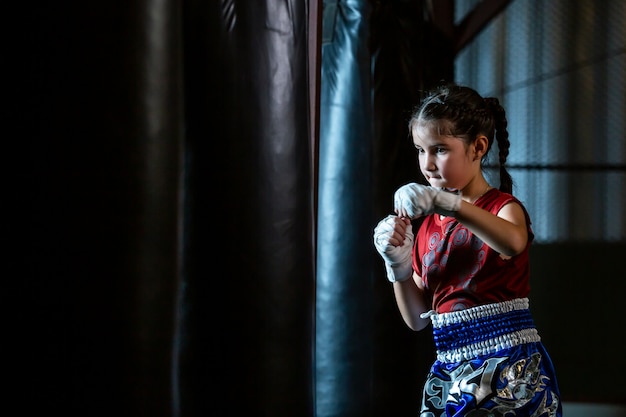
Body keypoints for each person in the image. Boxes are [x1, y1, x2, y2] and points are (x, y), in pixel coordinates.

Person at [373, 84, 562, 416]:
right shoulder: (428, 227)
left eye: (440, 149)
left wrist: (448, 203)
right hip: (449, 375)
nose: (428, 164)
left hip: (508, 371)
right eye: (420, 150)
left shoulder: (503, 207)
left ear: (478, 147)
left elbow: (513, 242)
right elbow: (417, 320)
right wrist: (397, 266)